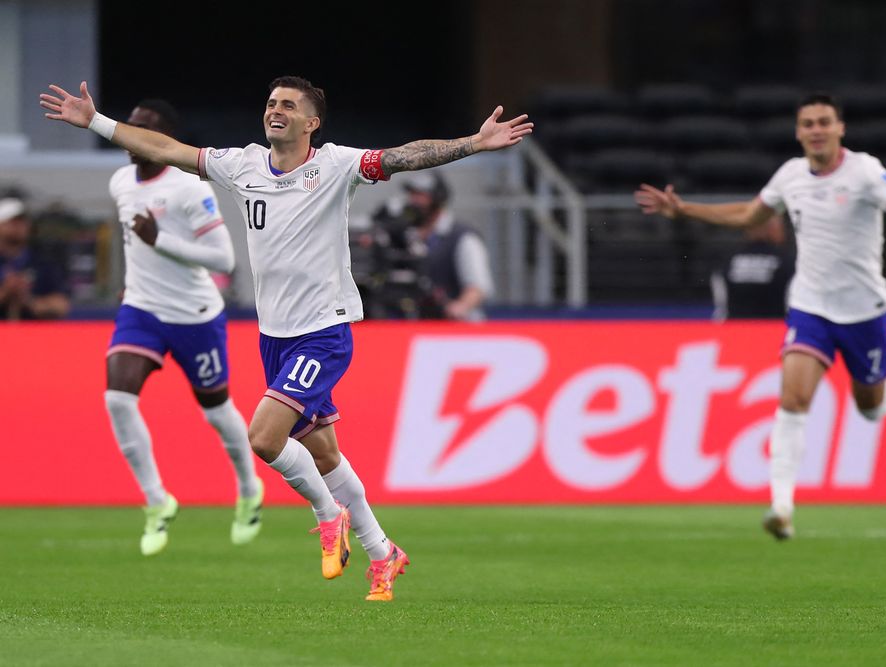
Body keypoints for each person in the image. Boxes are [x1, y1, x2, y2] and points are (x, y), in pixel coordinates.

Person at [41, 77, 532, 600]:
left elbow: (404, 156)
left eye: (289, 105)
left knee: (264, 438)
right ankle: (384, 554)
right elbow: (165, 147)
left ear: (311, 123)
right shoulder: (243, 164)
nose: (275, 110)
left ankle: (328, 518)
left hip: (323, 331)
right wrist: (96, 121)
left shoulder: (337, 165)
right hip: (273, 336)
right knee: (325, 457)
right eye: (272, 103)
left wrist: (473, 144)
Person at [634, 92, 886, 540]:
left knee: (871, 407)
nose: (816, 130)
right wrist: (684, 208)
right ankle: (781, 507)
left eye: (824, 122)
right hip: (811, 307)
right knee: (793, 398)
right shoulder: (790, 176)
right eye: (808, 123)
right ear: (798, 131)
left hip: (864, 311)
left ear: (840, 128)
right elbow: (749, 213)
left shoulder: (863, 170)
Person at [102, 99, 262, 556]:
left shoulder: (189, 187)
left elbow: (224, 260)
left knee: (216, 410)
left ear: (164, 139)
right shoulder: (119, 182)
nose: (132, 134)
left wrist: (162, 241)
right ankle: (157, 501)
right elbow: (134, 244)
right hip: (142, 310)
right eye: (129, 126)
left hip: (194, 315)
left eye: (144, 128)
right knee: (117, 397)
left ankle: (249, 489)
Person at [404, 172, 495, 321]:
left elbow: (477, 288)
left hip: (457, 330)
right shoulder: (408, 235)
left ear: (437, 199)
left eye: (420, 195)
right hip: (420, 324)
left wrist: (459, 307)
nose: (413, 201)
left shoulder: (462, 237)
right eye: (412, 195)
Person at [709, 213, 794, 321]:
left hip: (735, 332)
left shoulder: (728, 260)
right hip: (774, 331)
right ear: (771, 229)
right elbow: (791, 307)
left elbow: (721, 309)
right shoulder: (787, 262)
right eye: (781, 226)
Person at [0, 197, 71, 321]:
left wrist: (28, 300)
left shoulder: (43, 263)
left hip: (34, 334)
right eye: (12, 222)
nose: (19, 227)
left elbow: (61, 306)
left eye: (23, 222)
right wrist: (6, 291)